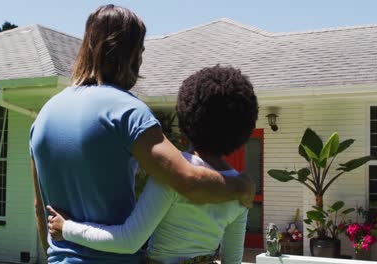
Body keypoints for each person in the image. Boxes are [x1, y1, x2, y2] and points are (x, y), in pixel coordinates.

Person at [29, 5, 254, 264]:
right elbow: (187, 180)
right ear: (131, 54)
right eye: (141, 51)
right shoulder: (128, 110)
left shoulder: (43, 116)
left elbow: (39, 209)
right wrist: (242, 185)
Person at [47, 65, 259, 264]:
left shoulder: (173, 174)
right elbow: (232, 260)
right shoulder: (241, 191)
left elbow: (129, 241)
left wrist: (67, 228)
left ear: (187, 117)